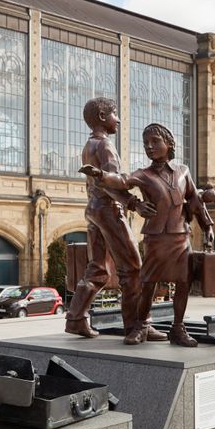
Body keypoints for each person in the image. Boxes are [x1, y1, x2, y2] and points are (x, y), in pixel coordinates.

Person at [80, 123, 214, 347]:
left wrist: (207, 226)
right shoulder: (143, 174)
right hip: (156, 238)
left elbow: (195, 201)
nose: (149, 147)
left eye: (154, 142)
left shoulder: (183, 172)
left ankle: (178, 328)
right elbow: (122, 181)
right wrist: (100, 174)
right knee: (148, 282)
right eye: (146, 144)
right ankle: (141, 325)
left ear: (169, 144)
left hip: (181, 237)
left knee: (183, 283)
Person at [64, 97, 160, 344]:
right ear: (103, 117)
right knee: (134, 269)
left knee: (98, 268)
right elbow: (108, 182)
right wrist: (134, 203)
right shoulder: (105, 145)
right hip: (108, 210)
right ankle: (137, 326)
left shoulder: (89, 145)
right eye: (115, 114)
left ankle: (75, 319)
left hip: (93, 210)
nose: (118, 119)